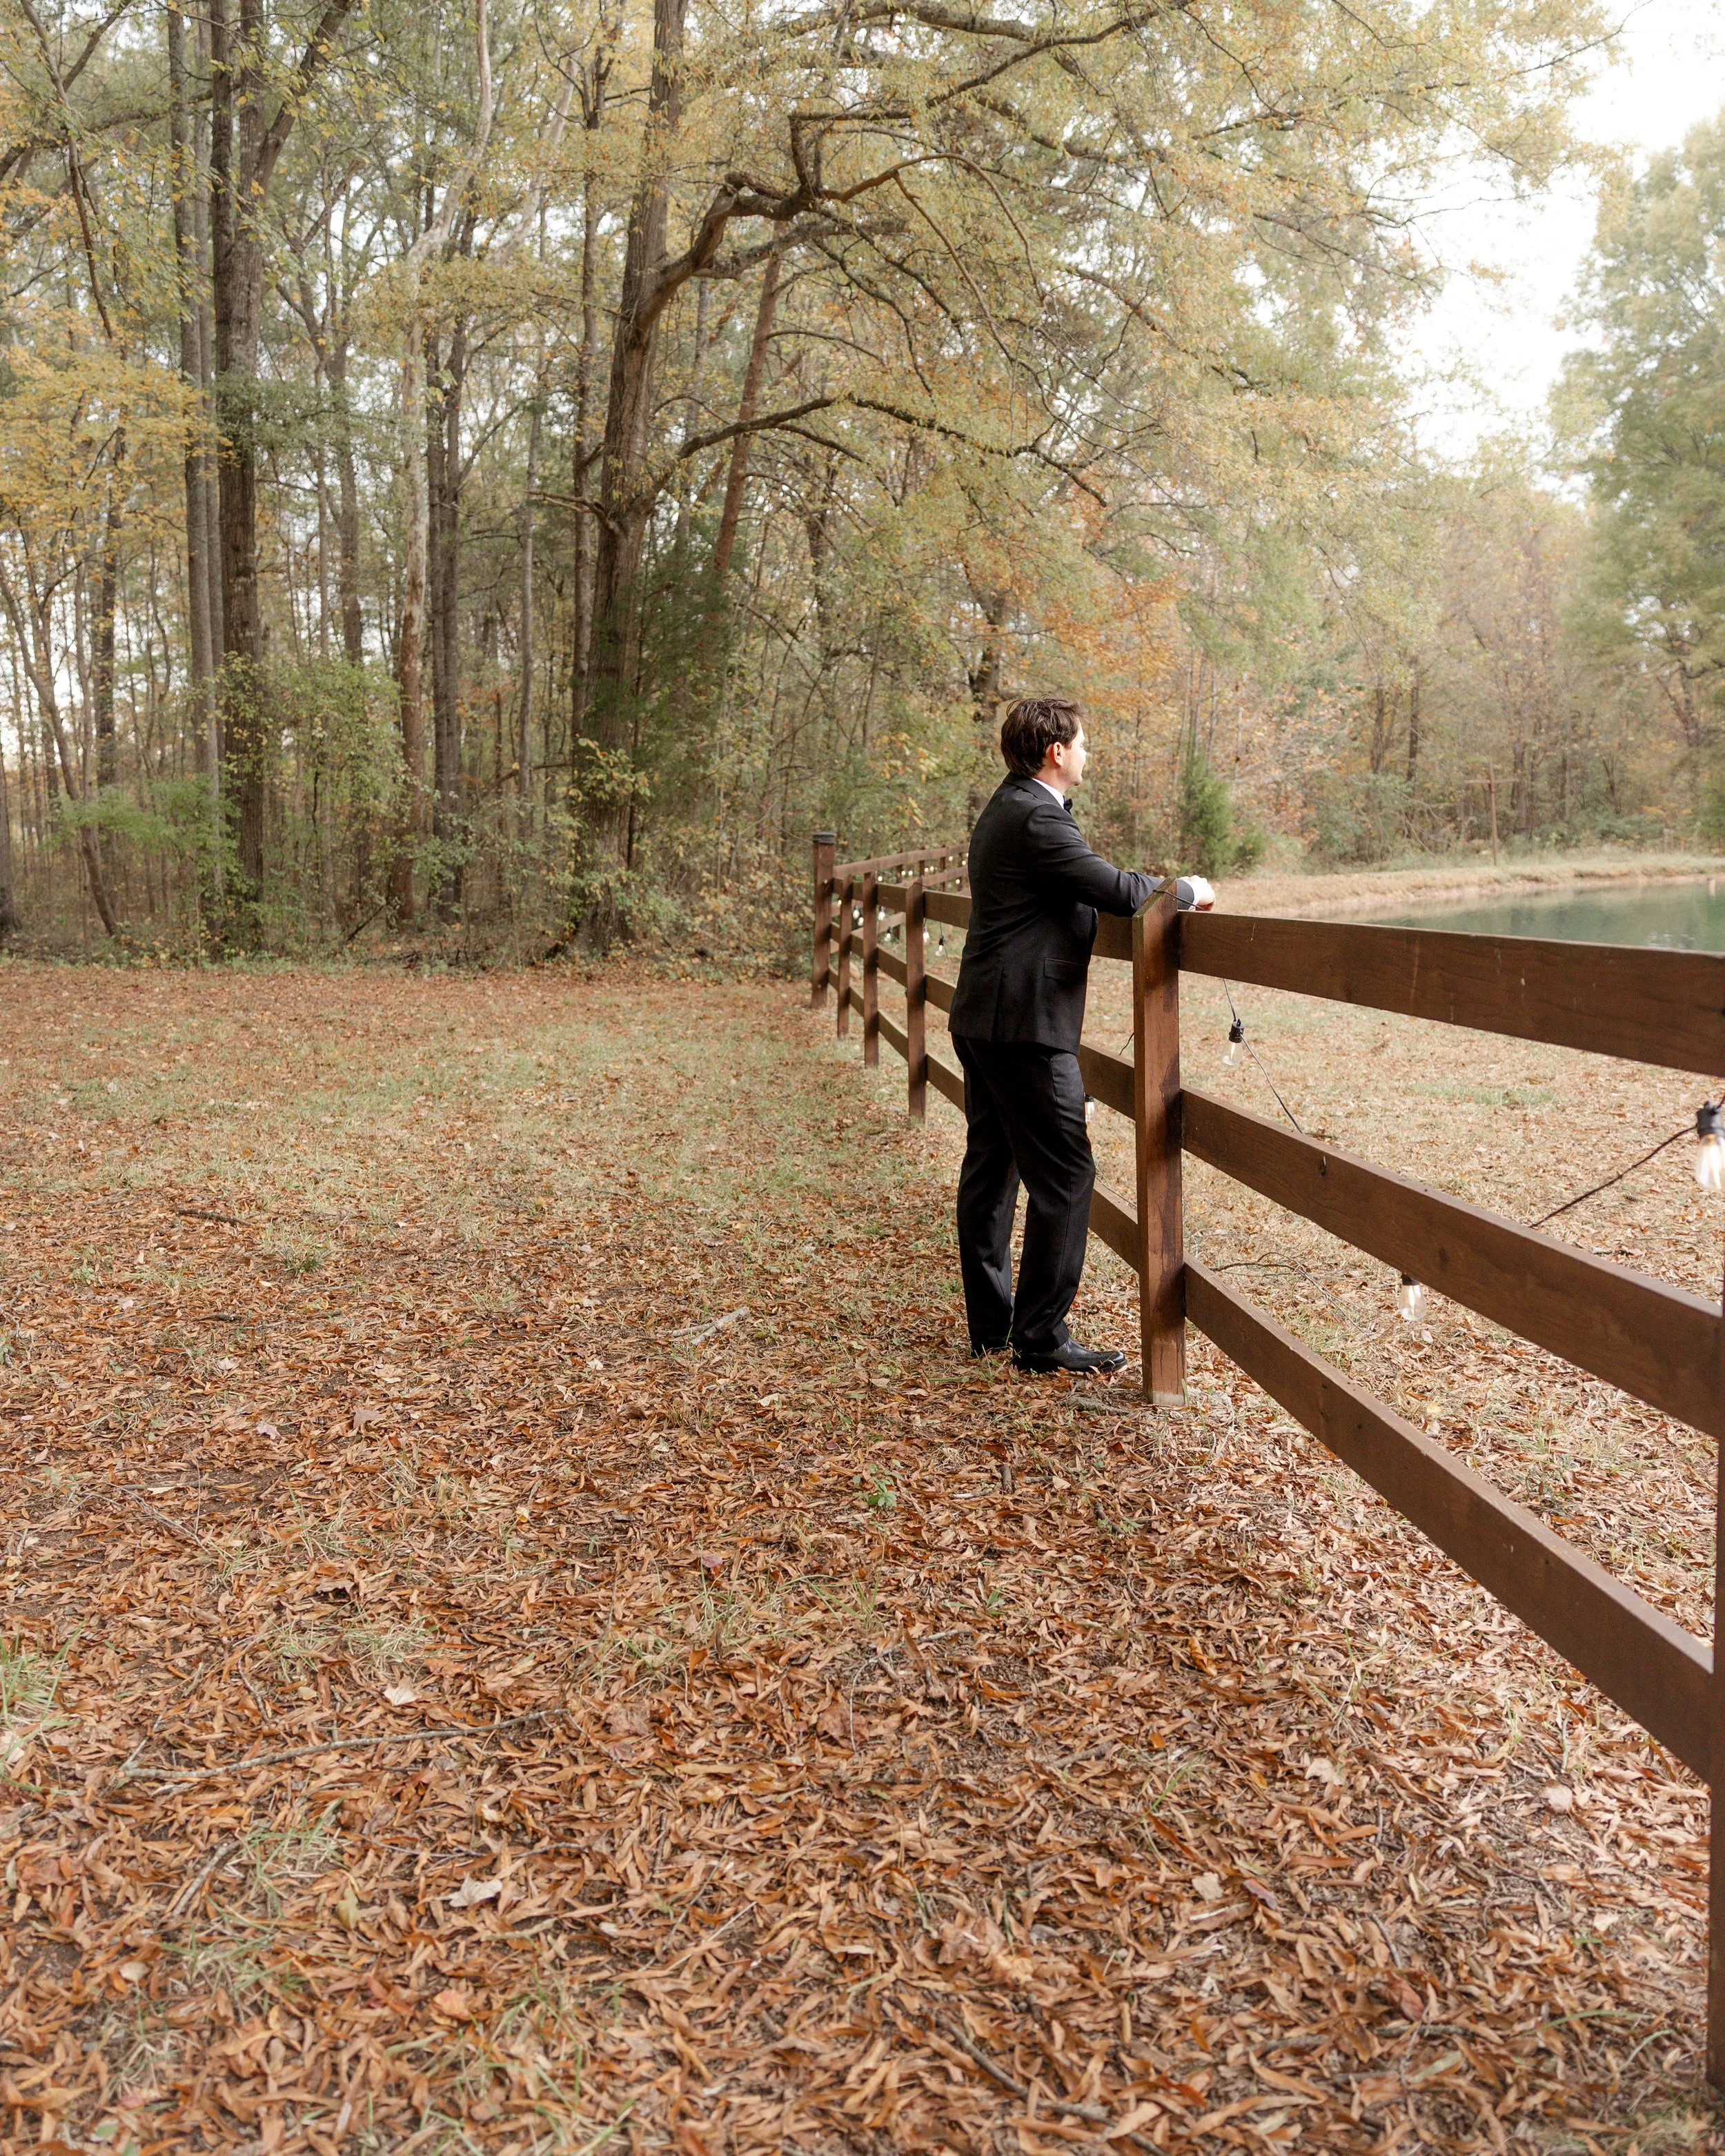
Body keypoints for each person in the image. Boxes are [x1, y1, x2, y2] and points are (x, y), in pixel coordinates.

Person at [947, 694, 1212, 1374]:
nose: (1088, 753)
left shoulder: (1011, 807)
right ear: (1055, 752)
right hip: (1022, 1027)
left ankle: (993, 1329)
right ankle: (1038, 1338)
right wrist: (1187, 890)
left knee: (992, 1168)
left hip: (989, 1016)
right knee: (1066, 1172)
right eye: (1083, 744)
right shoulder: (1035, 816)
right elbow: (1122, 890)